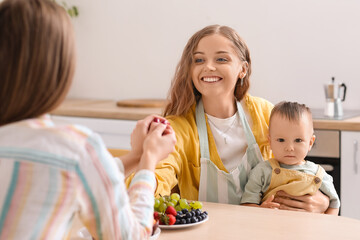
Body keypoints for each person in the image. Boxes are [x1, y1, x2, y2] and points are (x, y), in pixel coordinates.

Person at [0, 0, 176, 239]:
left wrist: (136, 157)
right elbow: (129, 236)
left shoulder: (72, 155)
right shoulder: (75, 148)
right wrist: (149, 162)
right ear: (59, 68)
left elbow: (75, 173)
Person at [127, 24, 330, 212]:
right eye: (199, 60)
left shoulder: (265, 113)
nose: (209, 67)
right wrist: (143, 159)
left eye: (221, 59)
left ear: (243, 69)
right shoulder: (177, 129)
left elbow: (298, 168)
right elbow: (151, 186)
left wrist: (323, 201)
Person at [240, 102, 340, 215]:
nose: (289, 148)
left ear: (310, 143)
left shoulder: (319, 174)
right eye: (281, 140)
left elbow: (334, 205)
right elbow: (247, 205)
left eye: (298, 140)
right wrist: (261, 210)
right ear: (270, 142)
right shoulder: (261, 172)